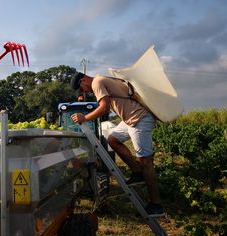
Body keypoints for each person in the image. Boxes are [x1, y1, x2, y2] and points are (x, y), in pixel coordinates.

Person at [69, 72, 165, 217]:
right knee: (113, 139)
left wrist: (85, 118)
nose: (84, 92)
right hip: (129, 119)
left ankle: (156, 205)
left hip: (138, 119)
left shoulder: (96, 82)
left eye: (82, 89)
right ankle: (137, 171)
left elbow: (104, 107)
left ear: (83, 80)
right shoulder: (103, 78)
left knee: (146, 162)